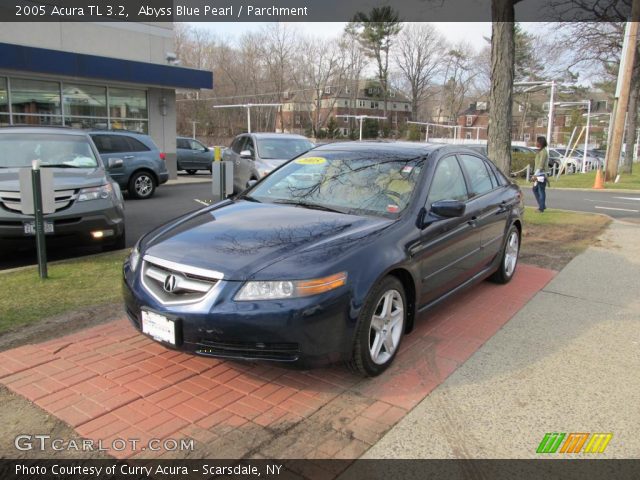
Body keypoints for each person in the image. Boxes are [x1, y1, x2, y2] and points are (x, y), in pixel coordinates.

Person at [531, 136, 549, 212]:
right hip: (538, 174)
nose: (536, 143)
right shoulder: (540, 151)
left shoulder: (543, 152)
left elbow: (540, 165)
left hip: (541, 174)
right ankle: (542, 205)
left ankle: (541, 208)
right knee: (535, 189)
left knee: (541, 190)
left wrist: (535, 175)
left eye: (537, 141)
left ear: (540, 143)